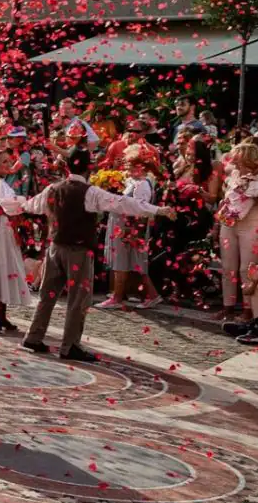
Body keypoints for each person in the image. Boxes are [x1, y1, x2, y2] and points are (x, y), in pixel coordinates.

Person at [18, 148, 174, 362]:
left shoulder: (53, 189)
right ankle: (70, 345)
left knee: (48, 294)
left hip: (55, 247)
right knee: (78, 298)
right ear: (88, 167)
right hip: (78, 251)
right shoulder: (90, 192)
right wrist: (157, 210)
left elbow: (29, 206)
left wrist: (4, 205)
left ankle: (34, 337)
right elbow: (122, 204)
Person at [214, 143, 258, 322]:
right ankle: (228, 307)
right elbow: (227, 198)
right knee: (228, 267)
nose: (235, 164)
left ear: (249, 159)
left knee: (246, 269)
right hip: (230, 221)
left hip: (253, 222)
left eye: (238, 160)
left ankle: (249, 309)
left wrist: (250, 182)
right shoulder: (234, 173)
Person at [98, 145, 162, 310]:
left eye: (129, 164)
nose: (125, 167)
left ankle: (117, 297)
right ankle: (152, 296)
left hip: (128, 227)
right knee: (135, 264)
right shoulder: (134, 181)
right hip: (123, 225)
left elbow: (140, 209)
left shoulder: (142, 185)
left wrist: (132, 231)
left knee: (126, 262)